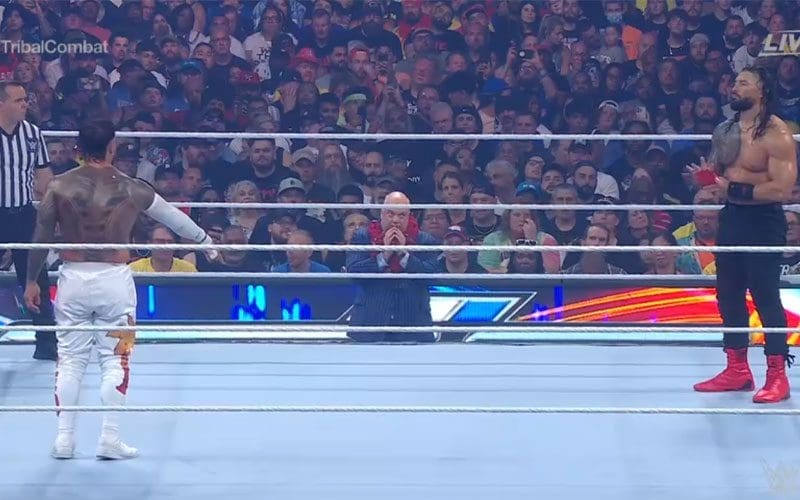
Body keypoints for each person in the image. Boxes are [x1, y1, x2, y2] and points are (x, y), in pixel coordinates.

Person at [23, 120, 217, 459]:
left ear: (78, 149)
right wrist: (206, 241)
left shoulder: (59, 186)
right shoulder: (132, 187)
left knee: (70, 359)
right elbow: (172, 217)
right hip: (114, 282)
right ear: (112, 147)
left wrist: (30, 280)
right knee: (117, 357)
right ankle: (109, 438)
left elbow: (41, 236)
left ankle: (64, 439)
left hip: (72, 280)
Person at [688, 66, 799, 404]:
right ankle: (737, 369)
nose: (734, 87)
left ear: (761, 90)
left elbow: (781, 189)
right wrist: (707, 179)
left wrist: (731, 187)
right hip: (732, 217)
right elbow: (720, 174)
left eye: (744, 83)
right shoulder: (726, 130)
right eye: (734, 82)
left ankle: (777, 376)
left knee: (765, 296)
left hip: (764, 221)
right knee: (728, 294)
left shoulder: (776, 134)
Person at [0, 81, 57, 360]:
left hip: (23, 213)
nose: (25, 104)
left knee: (36, 277)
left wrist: (51, 210)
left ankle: (47, 343)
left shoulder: (33, 133)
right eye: (18, 100)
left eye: (25, 99)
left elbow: (44, 174)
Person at [346, 191, 439, 342]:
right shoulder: (363, 237)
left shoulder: (424, 240)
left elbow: (432, 275)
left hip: (413, 324)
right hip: (370, 323)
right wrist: (385, 255)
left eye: (401, 215)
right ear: (381, 214)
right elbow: (354, 271)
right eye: (390, 214)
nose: (395, 220)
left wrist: (403, 255)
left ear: (409, 216)